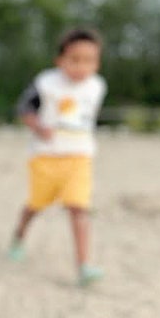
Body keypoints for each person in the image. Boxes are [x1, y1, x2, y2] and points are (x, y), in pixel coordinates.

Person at [8, 28, 107, 286]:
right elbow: (24, 108)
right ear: (60, 60)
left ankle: (84, 266)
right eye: (75, 59)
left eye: (89, 60)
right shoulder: (45, 83)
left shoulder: (97, 86)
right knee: (36, 205)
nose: (82, 67)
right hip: (46, 157)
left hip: (79, 157)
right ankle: (19, 236)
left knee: (79, 207)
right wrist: (39, 127)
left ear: (97, 62)